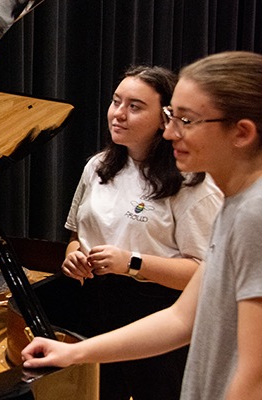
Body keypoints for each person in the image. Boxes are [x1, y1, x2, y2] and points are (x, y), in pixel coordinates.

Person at [22, 51, 262, 400]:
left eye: (187, 121)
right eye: (170, 117)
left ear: (241, 132)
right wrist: (75, 352)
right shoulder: (234, 206)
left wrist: (131, 263)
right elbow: (181, 320)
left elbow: (254, 375)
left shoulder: (253, 215)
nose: (169, 133)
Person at [60, 65, 222, 399]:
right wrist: (72, 256)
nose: (118, 114)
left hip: (157, 312)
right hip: (92, 305)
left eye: (134, 107)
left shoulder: (191, 180)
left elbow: (205, 274)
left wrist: (131, 262)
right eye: (116, 101)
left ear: (165, 119)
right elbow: (76, 233)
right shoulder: (98, 166)